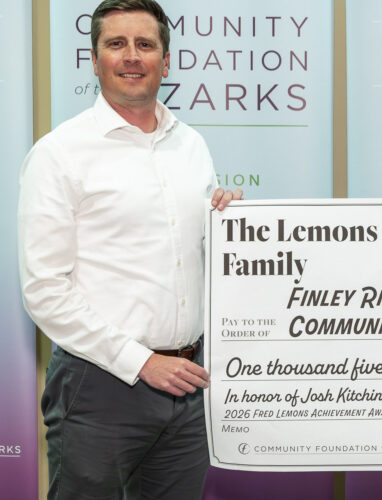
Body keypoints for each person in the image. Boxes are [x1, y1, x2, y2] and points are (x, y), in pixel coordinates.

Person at [17, 0, 242, 498]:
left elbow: (198, 256)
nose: (131, 56)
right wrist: (141, 361)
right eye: (116, 44)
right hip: (100, 387)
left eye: (145, 44)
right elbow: (45, 290)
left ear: (166, 60)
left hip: (188, 384)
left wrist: (232, 221)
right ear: (95, 60)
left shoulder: (191, 146)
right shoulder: (59, 153)